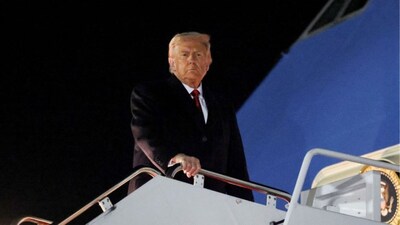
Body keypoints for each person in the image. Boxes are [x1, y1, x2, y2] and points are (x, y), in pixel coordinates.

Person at [127, 31, 254, 201]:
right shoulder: (150, 94)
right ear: (172, 62)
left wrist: (246, 208)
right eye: (185, 54)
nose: (192, 59)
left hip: (209, 204)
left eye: (198, 54)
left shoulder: (222, 106)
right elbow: (145, 134)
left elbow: (235, 163)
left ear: (208, 62)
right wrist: (175, 157)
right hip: (157, 196)